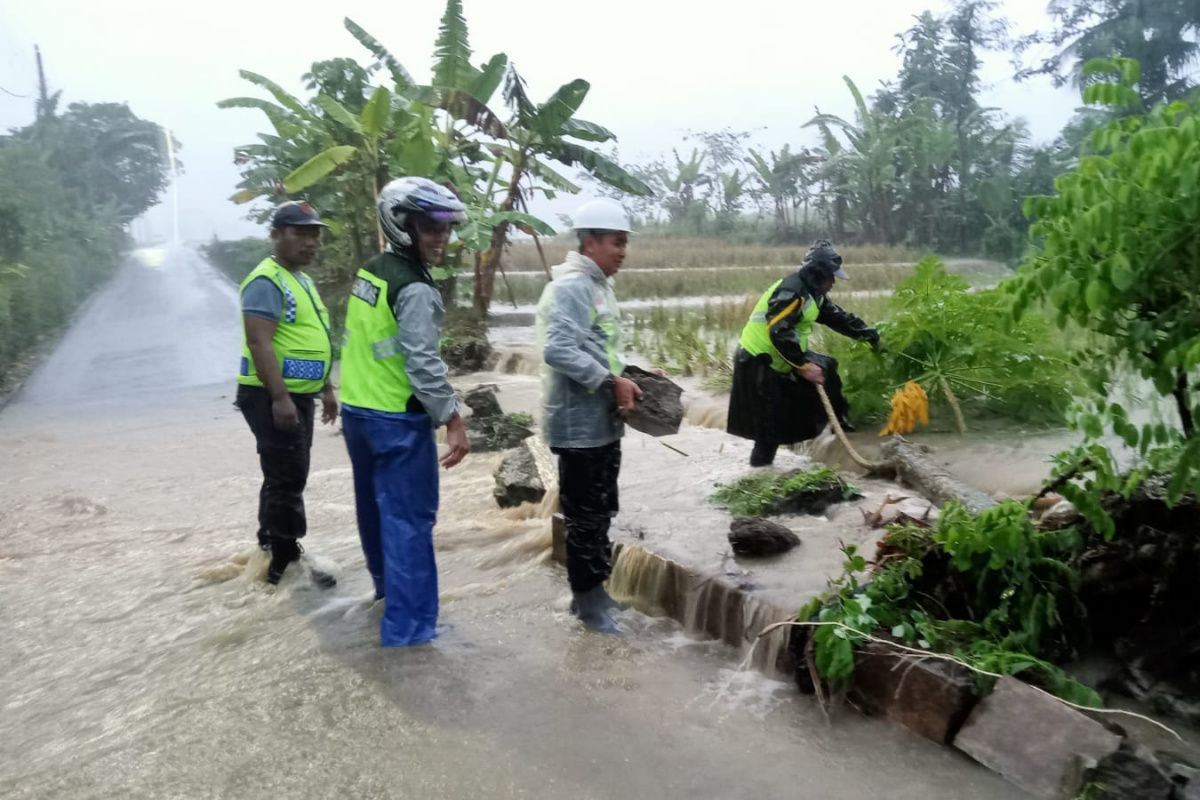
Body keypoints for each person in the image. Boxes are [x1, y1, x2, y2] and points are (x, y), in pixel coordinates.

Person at [338, 176, 470, 647]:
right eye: (430, 227)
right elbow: (423, 363)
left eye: (445, 228)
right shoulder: (415, 288)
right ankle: (411, 637)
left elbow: (363, 343)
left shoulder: (372, 271)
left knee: (375, 515)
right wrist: (452, 418)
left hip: (358, 414)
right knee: (410, 527)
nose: (441, 238)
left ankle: (386, 600)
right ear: (401, 225)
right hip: (396, 420)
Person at [536, 198, 642, 635]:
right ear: (591, 241)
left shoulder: (597, 286)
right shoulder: (573, 287)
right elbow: (558, 349)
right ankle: (586, 602)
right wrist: (609, 382)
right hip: (579, 426)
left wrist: (632, 374)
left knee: (600, 510)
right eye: (616, 242)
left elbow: (599, 347)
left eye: (624, 243)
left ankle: (596, 593)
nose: (622, 251)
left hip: (599, 423)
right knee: (584, 515)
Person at [235, 201, 338, 586]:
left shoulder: (300, 279)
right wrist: (279, 398)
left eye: (315, 234)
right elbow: (260, 343)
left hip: (297, 395)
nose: (311, 242)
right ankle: (285, 564)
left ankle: (270, 549)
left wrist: (326, 388)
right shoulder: (267, 281)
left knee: (284, 474)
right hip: (271, 396)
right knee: (288, 477)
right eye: (301, 233)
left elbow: (310, 339)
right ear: (276, 234)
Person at [727, 239, 880, 467]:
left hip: (783, 356)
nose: (834, 283)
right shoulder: (792, 291)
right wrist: (803, 366)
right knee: (768, 433)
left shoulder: (814, 294)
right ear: (818, 274)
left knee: (828, 367)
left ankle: (839, 421)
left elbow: (836, 317)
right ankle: (759, 476)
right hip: (757, 362)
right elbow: (778, 331)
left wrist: (868, 335)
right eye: (831, 277)